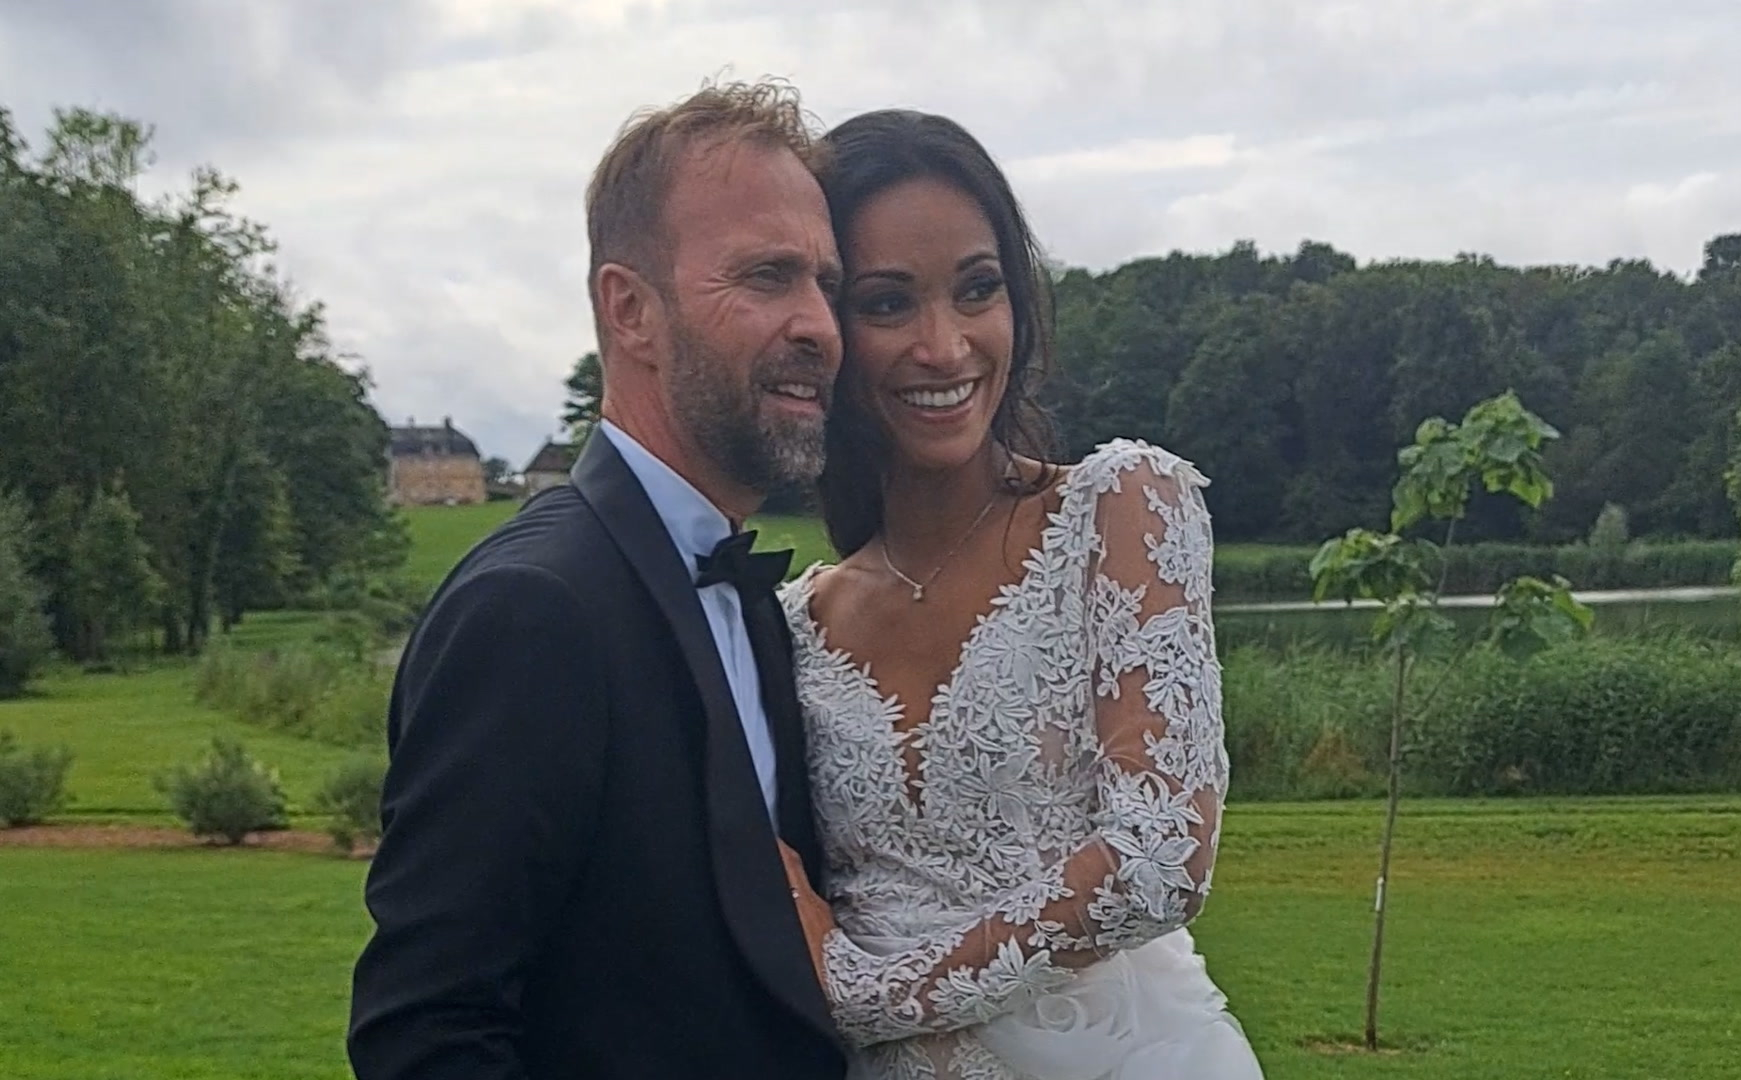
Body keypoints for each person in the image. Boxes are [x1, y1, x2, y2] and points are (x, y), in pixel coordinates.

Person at [347, 80, 850, 1079]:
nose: (820, 326)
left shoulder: (750, 595)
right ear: (631, 312)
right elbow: (426, 1037)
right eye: (766, 277)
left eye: (827, 284)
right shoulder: (532, 612)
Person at [778, 109, 1264, 1079]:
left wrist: (870, 994)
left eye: (977, 289)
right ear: (825, 327)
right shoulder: (794, 624)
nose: (944, 346)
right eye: (886, 304)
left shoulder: (1119, 509)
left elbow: (1163, 857)